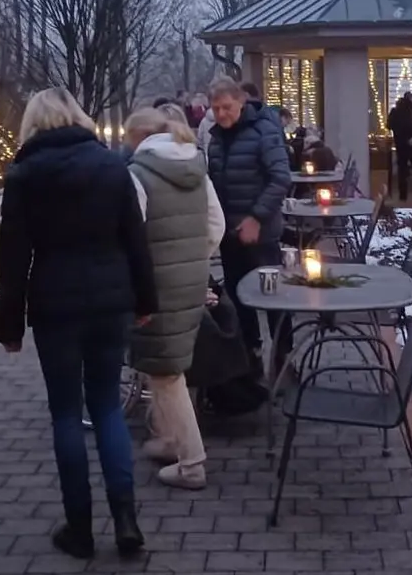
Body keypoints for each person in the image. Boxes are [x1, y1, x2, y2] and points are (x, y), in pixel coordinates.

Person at [0, 87, 159, 560]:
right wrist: (146, 299)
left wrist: (9, 325)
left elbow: (13, 255)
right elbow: (135, 239)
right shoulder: (111, 166)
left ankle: (80, 528)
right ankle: (126, 519)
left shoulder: (25, 174)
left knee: (66, 413)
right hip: (111, 303)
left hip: (55, 305)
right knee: (106, 407)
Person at [122, 108, 224, 491]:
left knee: (166, 372)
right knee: (165, 364)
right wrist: (194, 259)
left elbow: (131, 237)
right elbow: (217, 224)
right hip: (191, 278)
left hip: (155, 283)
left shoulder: (137, 175)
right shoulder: (196, 169)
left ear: (138, 138)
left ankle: (191, 464)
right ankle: (169, 440)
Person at [206, 78, 292, 365]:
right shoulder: (216, 138)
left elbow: (280, 178)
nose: (221, 114)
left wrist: (256, 217)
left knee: (272, 295)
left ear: (241, 102)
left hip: (262, 233)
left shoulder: (265, 130)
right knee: (237, 292)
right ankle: (249, 351)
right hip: (229, 234)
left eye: (226, 107)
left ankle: (283, 351)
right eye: (215, 108)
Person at [387, 92, 412, 201]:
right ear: (409, 99)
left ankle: (403, 195)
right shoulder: (410, 111)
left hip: (400, 144)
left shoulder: (395, 111)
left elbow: (389, 125)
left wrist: (400, 137)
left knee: (402, 170)